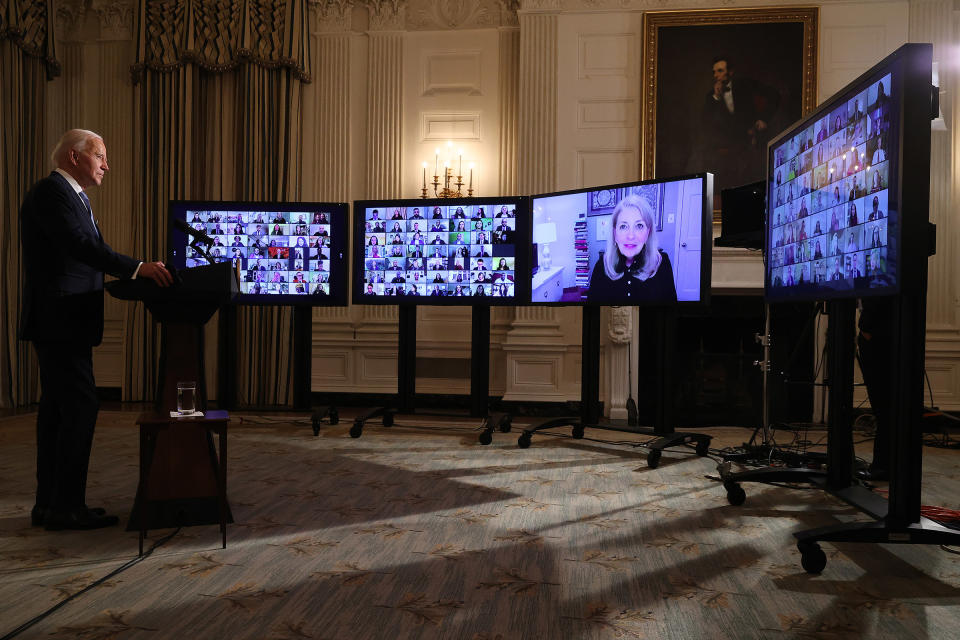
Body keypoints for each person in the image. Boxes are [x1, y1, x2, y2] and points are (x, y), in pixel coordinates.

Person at [19, 129, 173, 530]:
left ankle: (50, 505)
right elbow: (80, 247)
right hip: (60, 322)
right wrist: (137, 268)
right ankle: (65, 507)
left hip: (65, 322)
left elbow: (81, 253)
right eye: (100, 156)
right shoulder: (52, 193)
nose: (107, 165)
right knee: (77, 408)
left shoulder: (73, 197)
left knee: (58, 411)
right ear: (74, 157)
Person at [694, 55, 780, 191]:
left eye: (720, 71)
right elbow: (706, 124)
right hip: (727, 149)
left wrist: (763, 119)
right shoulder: (711, 97)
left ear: (731, 72)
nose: (716, 75)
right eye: (714, 72)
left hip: (752, 142)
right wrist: (716, 97)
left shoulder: (745, 84)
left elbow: (773, 95)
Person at [587, 195, 676, 303]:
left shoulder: (661, 262)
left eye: (639, 226)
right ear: (615, 233)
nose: (630, 236)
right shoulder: (602, 265)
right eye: (623, 226)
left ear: (648, 232)